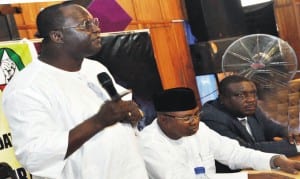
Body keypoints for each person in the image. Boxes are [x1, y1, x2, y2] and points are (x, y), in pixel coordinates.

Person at [2, 2, 148, 179]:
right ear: (57, 36)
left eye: (94, 22)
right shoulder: (27, 88)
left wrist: (131, 113)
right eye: (86, 25)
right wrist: (98, 121)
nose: (96, 29)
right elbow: (34, 155)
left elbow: (119, 112)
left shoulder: (94, 68)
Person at [139, 87, 300, 179]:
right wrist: (251, 177)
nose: (194, 121)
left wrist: (275, 160)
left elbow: (234, 153)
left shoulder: (200, 129)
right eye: (187, 117)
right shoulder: (149, 144)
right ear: (163, 119)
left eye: (196, 114)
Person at [201, 75, 300, 173]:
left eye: (253, 94)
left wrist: (292, 133)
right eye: (241, 95)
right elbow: (246, 149)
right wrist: (296, 147)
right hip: (237, 174)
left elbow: (272, 128)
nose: (251, 99)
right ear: (222, 99)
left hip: (261, 169)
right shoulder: (212, 118)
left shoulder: (249, 108)